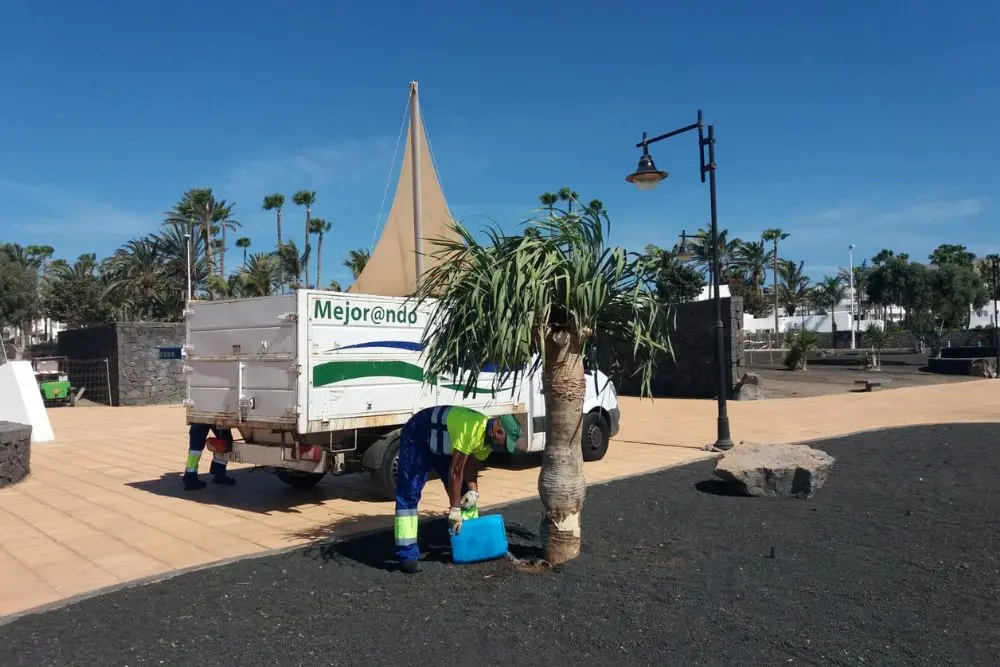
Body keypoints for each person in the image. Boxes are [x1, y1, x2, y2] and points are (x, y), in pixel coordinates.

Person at [393, 405, 522, 574]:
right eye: (504, 440)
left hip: (441, 445)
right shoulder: (471, 428)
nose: (503, 445)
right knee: (409, 491)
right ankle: (407, 554)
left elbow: (471, 465)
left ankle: (469, 544)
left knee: (463, 494)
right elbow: (456, 471)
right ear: (497, 430)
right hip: (419, 434)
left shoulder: (489, 441)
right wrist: (454, 509)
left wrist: (473, 491)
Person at [182, 423, 237, 491]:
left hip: (199, 416)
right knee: (224, 441)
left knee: (195, 447)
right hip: (217, 414)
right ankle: (219, 473)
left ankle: (190, 476)